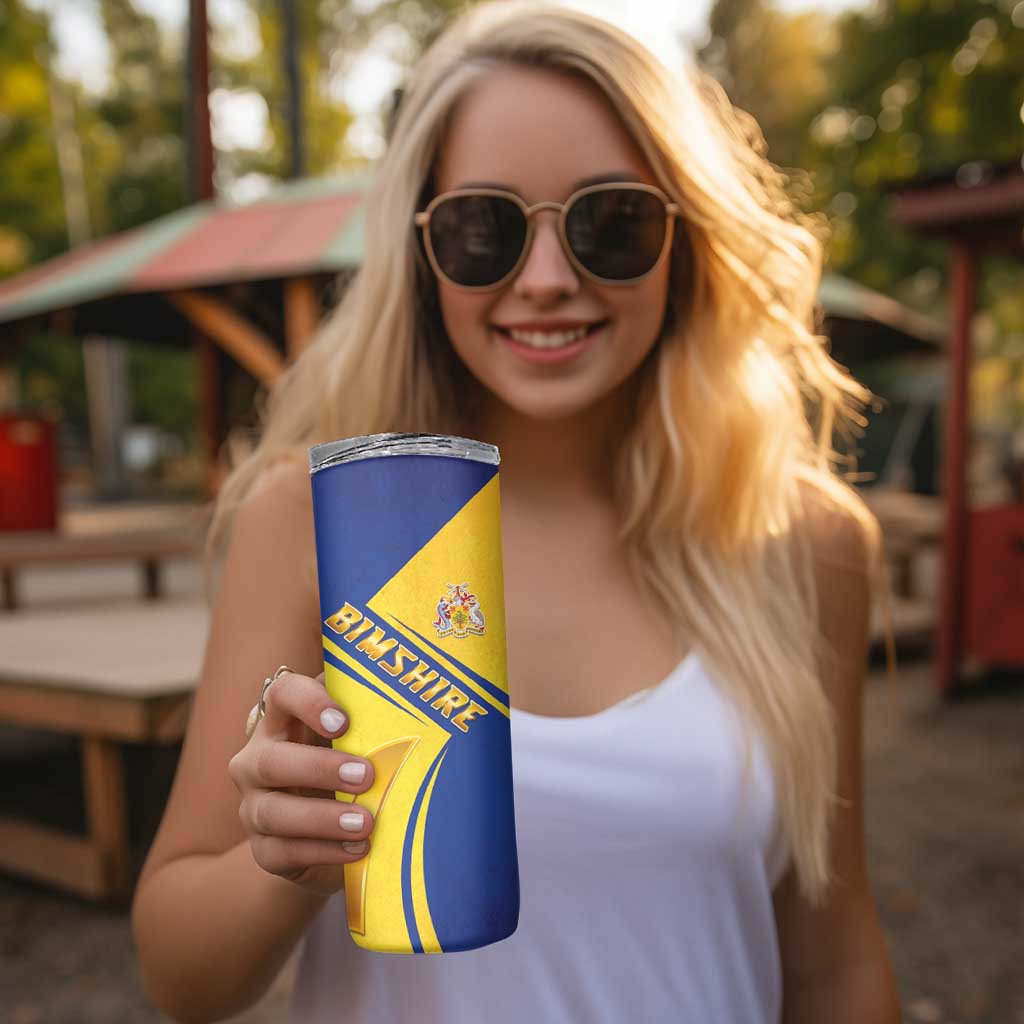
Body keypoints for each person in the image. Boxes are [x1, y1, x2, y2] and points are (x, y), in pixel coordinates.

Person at [131, 2, 901, 1021]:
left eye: (611, 222)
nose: (546, 280)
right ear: (420, 251)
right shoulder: (316, 520)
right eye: (483, 227)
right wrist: (282, 857)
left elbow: (833, 960)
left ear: (687, 242)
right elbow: (180, 976)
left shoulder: (804, 542)